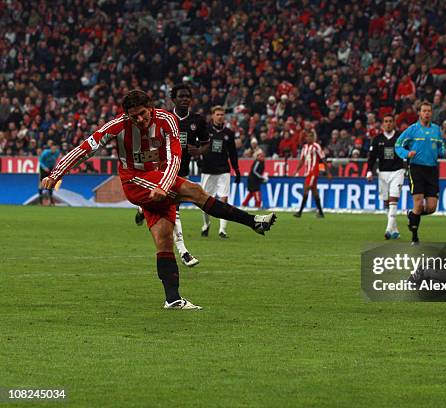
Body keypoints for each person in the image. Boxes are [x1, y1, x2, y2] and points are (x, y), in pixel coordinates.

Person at [41, 90, 276, 310]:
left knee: (164, 239)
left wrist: (163, 185)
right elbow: (85, 148)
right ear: (127, 115)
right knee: (195, 191)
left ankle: (173, 299)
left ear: (150, 108)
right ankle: (253, 221)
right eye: (134, 117)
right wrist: (56, 173)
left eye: (142, 114)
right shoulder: (118, 126)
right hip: (134, 181)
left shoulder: (166, 120)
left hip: (160, 181)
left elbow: (176, 155)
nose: (140, 120)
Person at [135, 84, 209, 267]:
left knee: (172, 210)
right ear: (173, 99)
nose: (185, 99)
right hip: (162, 172)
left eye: (188, 96)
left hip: (182, 171)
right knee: (174, 211)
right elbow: (148, 145)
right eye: (181, 96)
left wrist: (199, 151)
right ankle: (184, 252)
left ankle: (141, 208)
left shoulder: (197, 121)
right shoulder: (162, 118)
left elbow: (206, 143)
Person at [395, 101, 445, 245]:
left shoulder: (436, 129)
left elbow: (440, 145)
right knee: (418, 203)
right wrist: (406, 153)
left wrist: (443, 152)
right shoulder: (412, 129)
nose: (427, 113)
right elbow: (398, 145)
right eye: (424, 111)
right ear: (419, 113)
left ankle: (412, 215)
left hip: (432, 170)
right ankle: (414, 237)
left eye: (429, 111)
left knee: (431, 208)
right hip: (416, 168)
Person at [199, 106, 241, 239]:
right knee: (204, 202)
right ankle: (206, 224)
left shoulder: (228, 133)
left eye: (222, 114)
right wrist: (198, 159)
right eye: (217, 114)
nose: (220, 116)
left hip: (224, 170)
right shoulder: (205, 131)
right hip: (208, 170)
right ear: (212, 116)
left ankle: (222, 230)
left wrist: (237, 169)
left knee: (224, 200)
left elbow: (233, 153)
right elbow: (198, 147)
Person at [366, 113, 405, 240]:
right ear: (383, 124)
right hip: (382, 173)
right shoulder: (377, 139)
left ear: (394, 123)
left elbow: (406, 152)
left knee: (394, 199)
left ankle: (388, 230)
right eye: (386, 121)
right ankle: (395, 230)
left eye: (390, 121)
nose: (388, 123)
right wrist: (369, 171)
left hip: (397, 171)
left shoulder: (400, 138)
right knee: (386, 201)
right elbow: (372, 157)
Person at [293, 130, 330, 218]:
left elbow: (323, 159)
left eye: (310, 136)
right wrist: (297, 170)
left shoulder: (316, 146)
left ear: (313, 137)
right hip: (307, 172)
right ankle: (320, 212)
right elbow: (302, 160)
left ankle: (300, 212)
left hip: (314, 172)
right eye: (307, 136)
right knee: (314, 192)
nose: (308, 138)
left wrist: (328, 172)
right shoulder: (304, 147)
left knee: (306, 188)